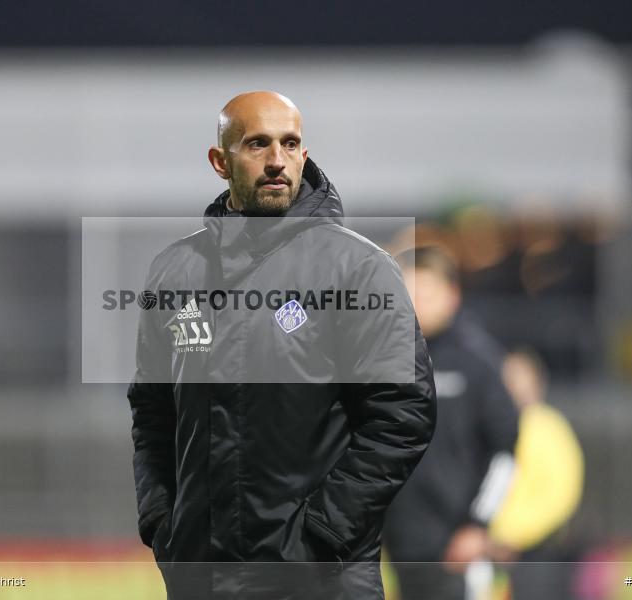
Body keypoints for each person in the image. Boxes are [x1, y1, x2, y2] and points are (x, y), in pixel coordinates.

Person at [127, 91, 437, 599]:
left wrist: (324, 535)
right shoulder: (174, 271)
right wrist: (164, 523)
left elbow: (402, 415)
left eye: (289, 144)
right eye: (257, 144)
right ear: (219, 161)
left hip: (320, 578)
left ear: (304, 155)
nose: (277, 161)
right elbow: (153, 414)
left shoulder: (359, 270)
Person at [383, 245, 519, 600]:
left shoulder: (477, 364)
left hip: (455, 549)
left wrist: (477, 526)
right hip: (395, 546)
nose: (416, 303)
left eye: (425, 293)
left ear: (452, 295)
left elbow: (505, 452)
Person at [490, 349, 584, 600]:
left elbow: (559, 496)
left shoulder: (548, 428)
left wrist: (511, 536)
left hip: (538, 553)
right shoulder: (488, 426)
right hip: (488, 551)